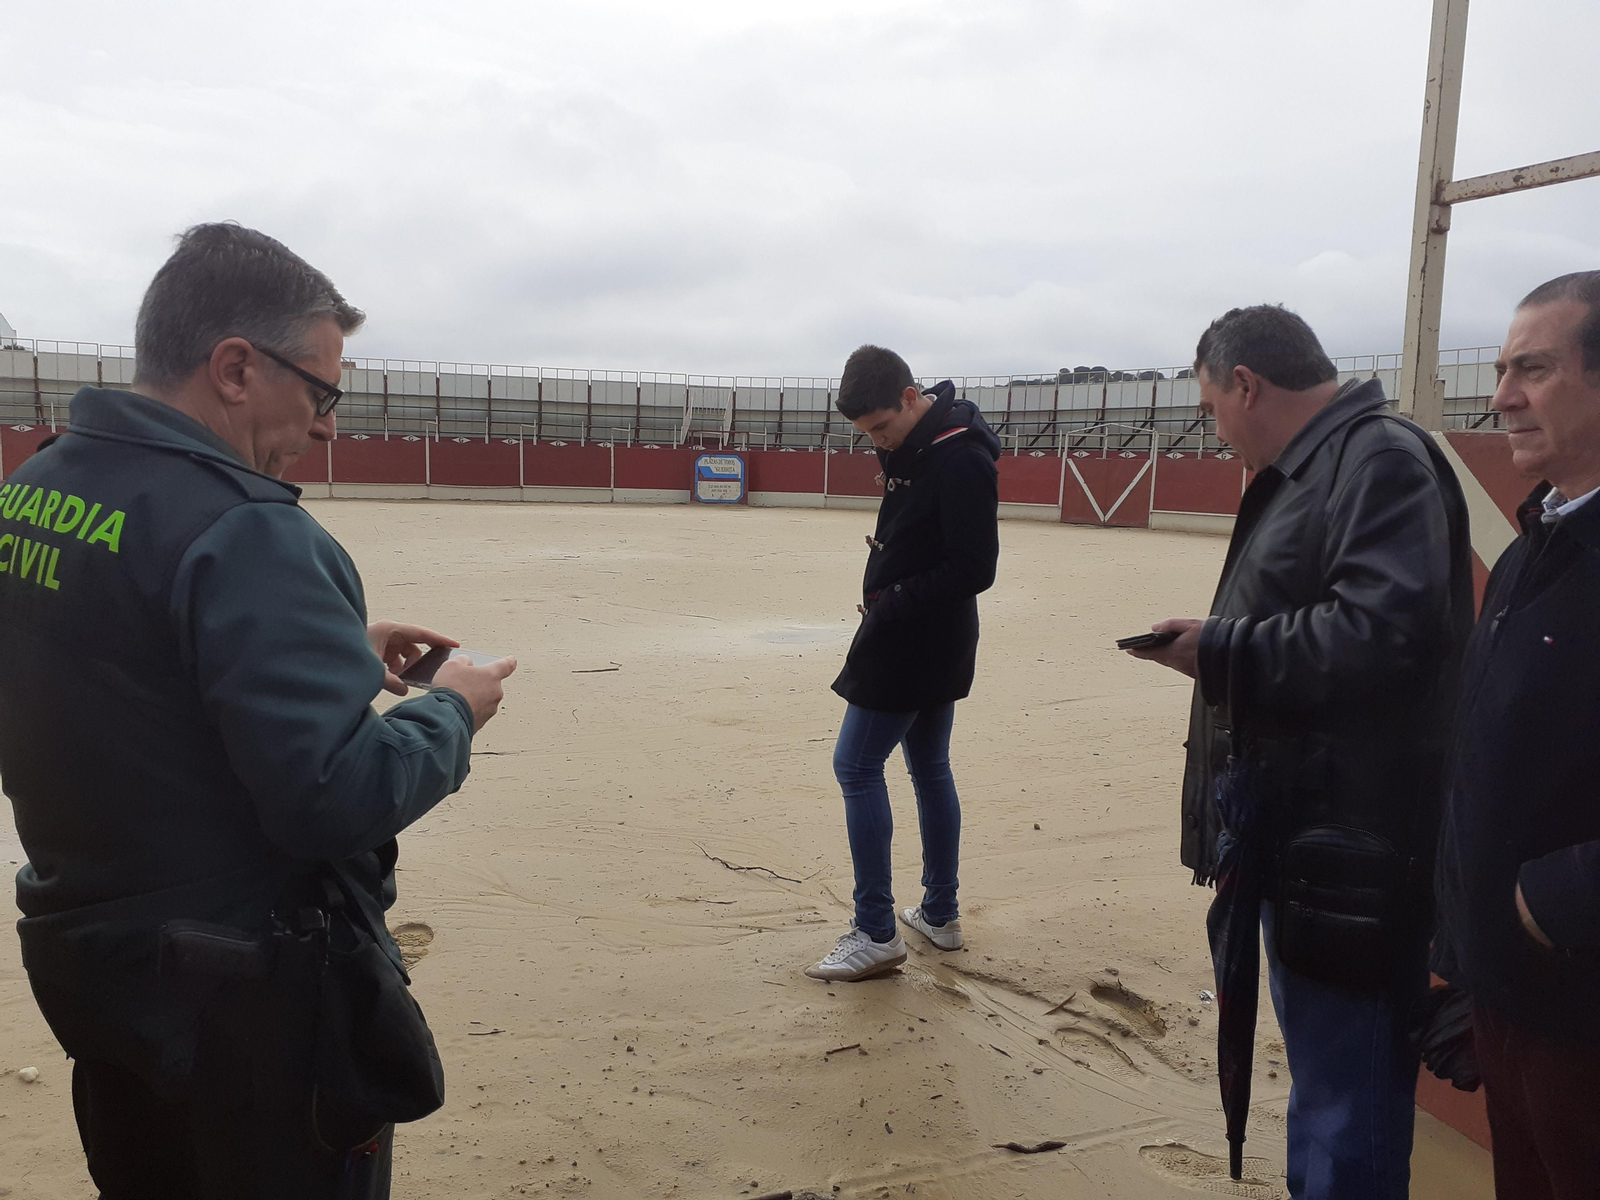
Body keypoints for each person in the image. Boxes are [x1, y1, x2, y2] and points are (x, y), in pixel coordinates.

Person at [0, 222, 516, 1198]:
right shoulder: (248, 530)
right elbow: (334, 798)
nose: (328, 425)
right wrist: (451, 712)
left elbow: (102, 680)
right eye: (321, 392)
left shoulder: (32, 491)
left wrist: (320, 659)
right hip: (250, 1010)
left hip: (99, 973)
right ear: (236, 368)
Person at [1127, 305, 1473, 1198]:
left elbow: (1381, 637)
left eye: (1212, 406)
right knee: (1327, 1089)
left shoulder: (1377, 459)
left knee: (1343, 1099)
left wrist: (1221, 649)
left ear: (1247, 385)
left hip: (1347, 847)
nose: (1216, 427)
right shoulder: (1336, 462)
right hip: (1307, 833)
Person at [1432, 270, 1600, 1199]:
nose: (1500, 397)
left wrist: (1563, 898)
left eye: (1531, 369)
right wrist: (1463, 941)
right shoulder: (1544, 536)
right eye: (1501, 369)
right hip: (1513, 995)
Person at [805, 345, 1000, 983]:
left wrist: (893, 601)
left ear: (912, 397)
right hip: (932, 636)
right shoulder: (928, 444)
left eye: (882, 428)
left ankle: (877, 930)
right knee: (928, 766)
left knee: (855, 766)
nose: (877, 443)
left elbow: (976, 568)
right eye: (866, 436)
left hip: (914, 638)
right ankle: (939, 914)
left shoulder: (960, 455)